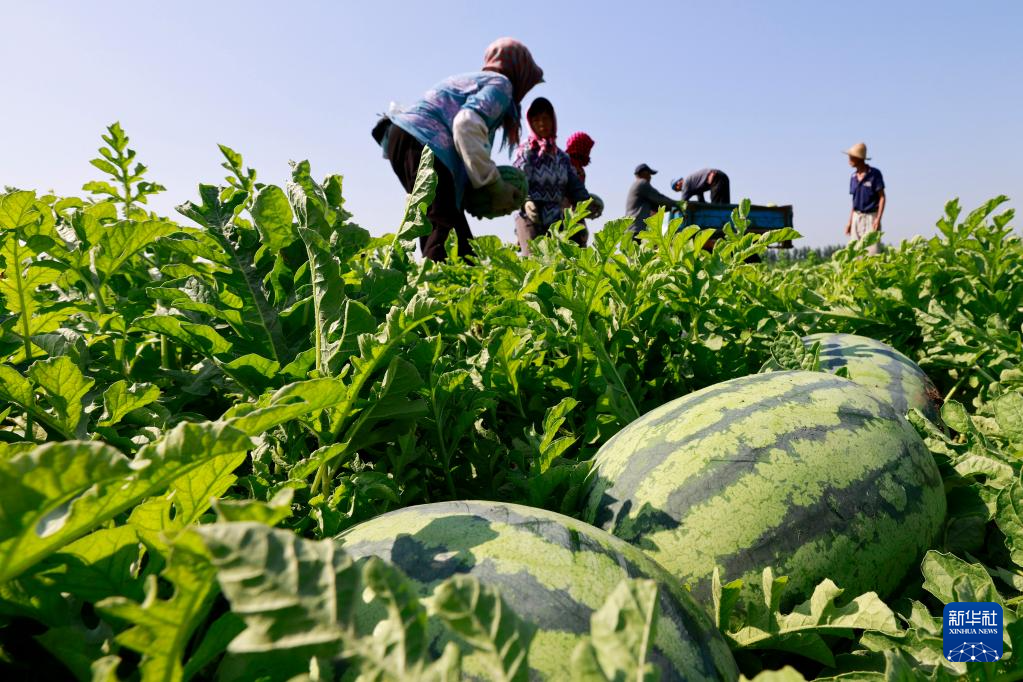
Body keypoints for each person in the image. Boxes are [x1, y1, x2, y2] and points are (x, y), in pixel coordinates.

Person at [374, 38, 543, 261]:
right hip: (423, 142)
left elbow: (463, 145)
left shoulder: (473, 80)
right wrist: (492, 184)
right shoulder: (501, 84)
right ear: (519, 72)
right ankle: (444, 289)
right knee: (446, 231)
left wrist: (469, 196)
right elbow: (466, 124)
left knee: (442, 223)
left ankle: (439, 285)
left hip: (406, 139)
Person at [513, 98, 599, 254]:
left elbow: (575, 186)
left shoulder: (561, 157)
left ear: (553, 121)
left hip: (557, 215)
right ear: (530, 123)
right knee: (535, 261)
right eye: (536, 120)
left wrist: (588, 202)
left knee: (571, 260)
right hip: (531, 214)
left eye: (546, 119)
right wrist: (526, 201)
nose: (542, 124)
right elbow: (517, 181)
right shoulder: (526, 152)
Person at [844, 142, 885, 255]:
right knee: (855, 253)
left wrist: (878, 218)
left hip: (871, 217)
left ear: (858, 158)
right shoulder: (853, 177)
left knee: (872, 252)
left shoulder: (874, 174)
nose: (849, 159)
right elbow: (854, 202)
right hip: (857, 217)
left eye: (851, 157)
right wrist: (850, 222)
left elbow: (882, 197)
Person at [625, 163, 678, 234]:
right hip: (636, 229)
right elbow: (660, 199)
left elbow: (656, 206)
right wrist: (678, 204)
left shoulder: (636, 185)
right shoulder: (642, 183)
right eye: (649, 174)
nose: (650, 177)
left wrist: (668, 207)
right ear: (644, 173)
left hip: (632, 228)